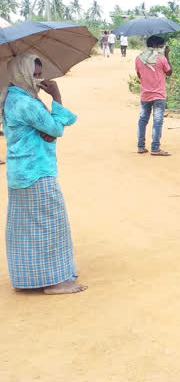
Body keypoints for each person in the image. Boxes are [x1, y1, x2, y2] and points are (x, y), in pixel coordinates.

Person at [1, 55, 86, 294]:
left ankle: (30, 278)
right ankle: (55, 282)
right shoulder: (27, 103)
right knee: (51, 223)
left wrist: (49, 127)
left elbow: (47, 129)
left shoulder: (12, 97)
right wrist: (56, 97)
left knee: (26, 228)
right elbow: (55, 128)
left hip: (20, 172)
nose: (40, 79)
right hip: (36, 171)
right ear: (23, 74)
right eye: (35, 74)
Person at [135, 35, 172, 156]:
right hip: (159, 95)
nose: (161, 48)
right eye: (161, 46)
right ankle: (155, 148)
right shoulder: (161, 59)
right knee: (157, 121)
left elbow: (139, 76)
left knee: (143, 120)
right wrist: (167, 55)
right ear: (156, 46)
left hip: (145, 94)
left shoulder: (139, 59)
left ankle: (141, 146)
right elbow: (169, 72)